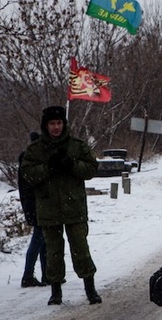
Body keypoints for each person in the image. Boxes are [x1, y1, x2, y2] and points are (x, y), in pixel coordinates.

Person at [20, 106, 101, 306]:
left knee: (81, 249)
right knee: (53, 252)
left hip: (74, 207)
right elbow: (28, 175)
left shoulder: (76, 145)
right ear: (45, 125)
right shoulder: (36, 149)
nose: (56, 127)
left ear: (64, 124)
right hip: (48, 209)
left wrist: (71, 165)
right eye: (52, 124)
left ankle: (90, 288)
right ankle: (55, 290)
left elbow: (91, 168)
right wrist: (49, 167)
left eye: (59, 123)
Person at [18, 131, 47, 288]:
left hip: (33, 203)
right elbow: (33, 184)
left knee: (43, 240)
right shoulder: (30, 160)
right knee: (39, 239)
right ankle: (28, 275)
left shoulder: (28, 159)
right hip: (35, 204)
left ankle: (46, 274)